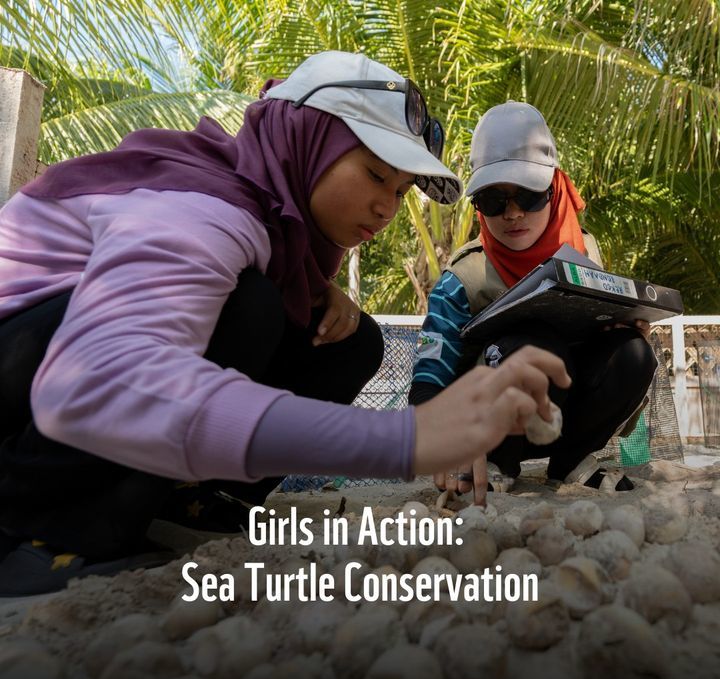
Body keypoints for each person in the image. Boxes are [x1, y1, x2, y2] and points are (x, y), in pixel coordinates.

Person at [0, 54, 570, 595]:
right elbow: (98, 381)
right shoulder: (202, 204)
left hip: (51, 380)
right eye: (374, 173)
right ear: (308, 141)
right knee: (249, 306)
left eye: (399, 191)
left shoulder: (268, 223)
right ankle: (43, 533)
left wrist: (315, 285)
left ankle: (193, 504)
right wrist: (407, 439)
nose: (387, 207)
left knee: (351, 339)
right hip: (36, 393)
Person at [409, 101, 657, 501]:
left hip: (567, 416)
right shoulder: (463, 279)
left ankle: (573, 460)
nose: (512, 213)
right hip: (487, 429)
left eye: (529, 195)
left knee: (634, 352)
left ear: (556, 188)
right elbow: (430, 369)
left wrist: (624, 330)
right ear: (477, 206)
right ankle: (493, 460)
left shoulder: (587, 256)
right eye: (493, 200)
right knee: (534, 346)